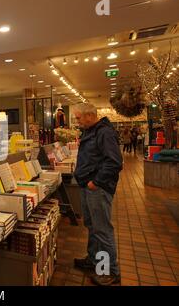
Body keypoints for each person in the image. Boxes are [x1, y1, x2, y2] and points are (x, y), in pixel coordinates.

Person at [73, 103, 123, 286]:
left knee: (102, 229)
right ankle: (94, 260)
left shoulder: (104, 132)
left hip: (97, 188)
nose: (77, 121)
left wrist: (96, 182)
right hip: (89, 186)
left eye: (78, 118)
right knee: (92, 226)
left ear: (89, 116)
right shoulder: (91, 130)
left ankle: (110, 272)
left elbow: (115, 162)